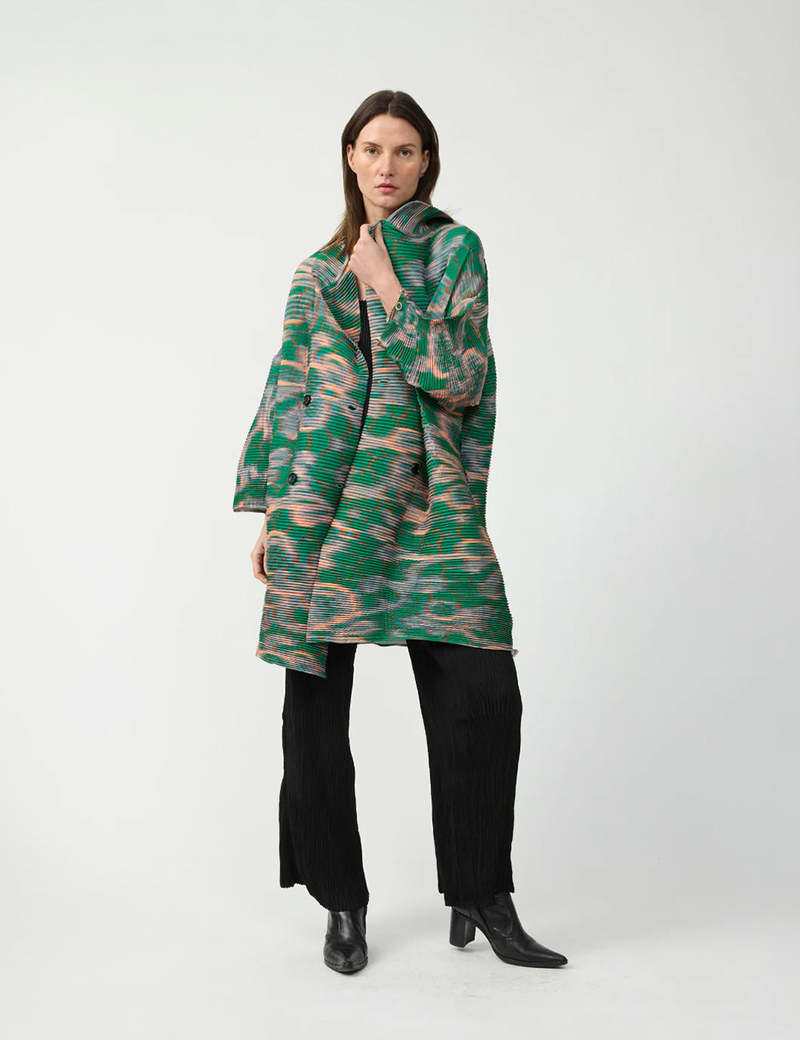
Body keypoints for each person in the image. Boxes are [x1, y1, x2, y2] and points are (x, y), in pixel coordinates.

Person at [233, 90, 568, 974]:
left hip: (427, 508)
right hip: (324, 508)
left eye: (406, 151)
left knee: (483, 698)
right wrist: (273, 510)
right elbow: (289, 390)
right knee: (314, 711)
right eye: (373, 148)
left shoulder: (455, 250)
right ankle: (340, 900)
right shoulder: (315, 272)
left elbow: (462, 376)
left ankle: (480, 895)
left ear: (428, 162)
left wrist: (386, 289)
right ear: (350, 156)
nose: (387, 166)